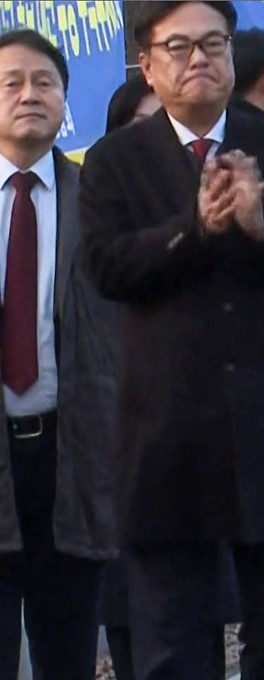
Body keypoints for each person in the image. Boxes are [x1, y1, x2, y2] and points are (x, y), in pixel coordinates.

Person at [78, 2, 264, 678]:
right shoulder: (114, 161)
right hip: (168, 436)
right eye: (180, 47)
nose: (199, 58)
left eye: (213, 44)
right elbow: (108, 269)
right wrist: (191, 231)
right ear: (148, 63)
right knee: (174, 646)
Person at [96, 71, 241, 680]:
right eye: (143, 129)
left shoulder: (219, 222)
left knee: (196, 622)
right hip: (116, 437)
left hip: (196, 443)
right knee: (136, 625)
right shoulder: (101, 220)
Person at [0, 28, 120, 680]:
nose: (29, 94)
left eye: (44, 82)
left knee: (66, 655)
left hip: (71, 465)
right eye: (12, 82)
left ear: (64, 101)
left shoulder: (100, 206)